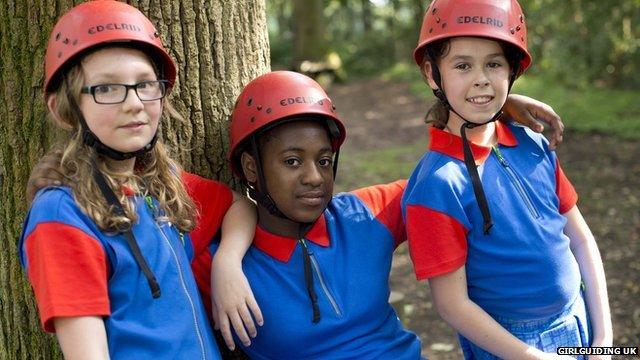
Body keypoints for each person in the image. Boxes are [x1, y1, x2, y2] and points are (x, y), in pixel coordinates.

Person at [18, 1, 255, 359]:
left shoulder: (159, 186)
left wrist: (228, 263)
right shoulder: (61, 216)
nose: (134, 103)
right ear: (64, 109)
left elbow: (238, 205)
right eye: (107, 89)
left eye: (144, 84)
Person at [401, 1, 612, 359]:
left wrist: (605, 339)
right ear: (431, 73)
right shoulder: (437, 185)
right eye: (463, 65)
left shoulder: (532, 143)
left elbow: (580, 238)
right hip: (510, 346)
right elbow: (453, 306)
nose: (481, 78)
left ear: (512, 71)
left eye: (494, 64)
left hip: (580, 319)